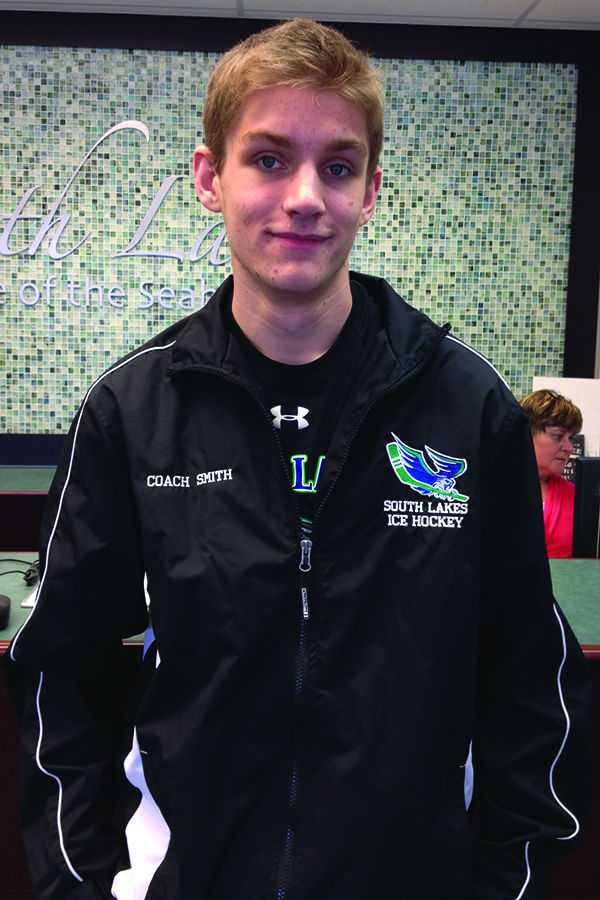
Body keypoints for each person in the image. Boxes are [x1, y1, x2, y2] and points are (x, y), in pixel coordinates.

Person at [7, 19, 591, 900]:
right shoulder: (132, 411)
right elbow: (61, 678)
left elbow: (527, 682)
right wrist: (83, 885)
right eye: (270, 159)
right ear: (211, 178)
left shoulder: (468, 410)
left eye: (339, 165)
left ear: (372, 189)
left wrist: (506, 878)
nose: (306, 195)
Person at [521, 389, 583, 558]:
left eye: (571, 438)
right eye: (558, 436)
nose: (569, 448)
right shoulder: (489, 490)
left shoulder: (576, 498)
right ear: (525, 435)